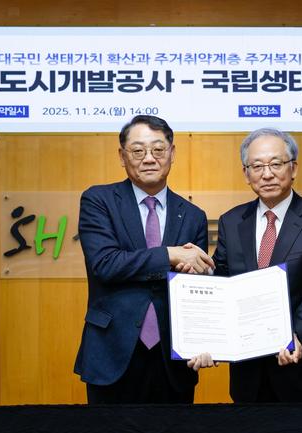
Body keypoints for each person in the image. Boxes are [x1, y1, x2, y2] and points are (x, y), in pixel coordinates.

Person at [193, 127, 302, 402]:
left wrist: (295, 335)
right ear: (246, 174)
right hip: (249, 375)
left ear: (293, 168)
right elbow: (223, 283)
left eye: (276, 164)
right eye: (257, 166)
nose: (267, 174)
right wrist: (209, 337)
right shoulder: (231, 221)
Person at [74, 115, 214, 404]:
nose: (149, 158)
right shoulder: (99, 201)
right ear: (122, 156)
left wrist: (195, 273)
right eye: (138, 150)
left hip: (174, 356)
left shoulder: (193, 215)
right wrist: (170, 255)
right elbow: (105, 264)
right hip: (112, 351)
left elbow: (194, 290)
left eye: (158, 149)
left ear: (172, 153)